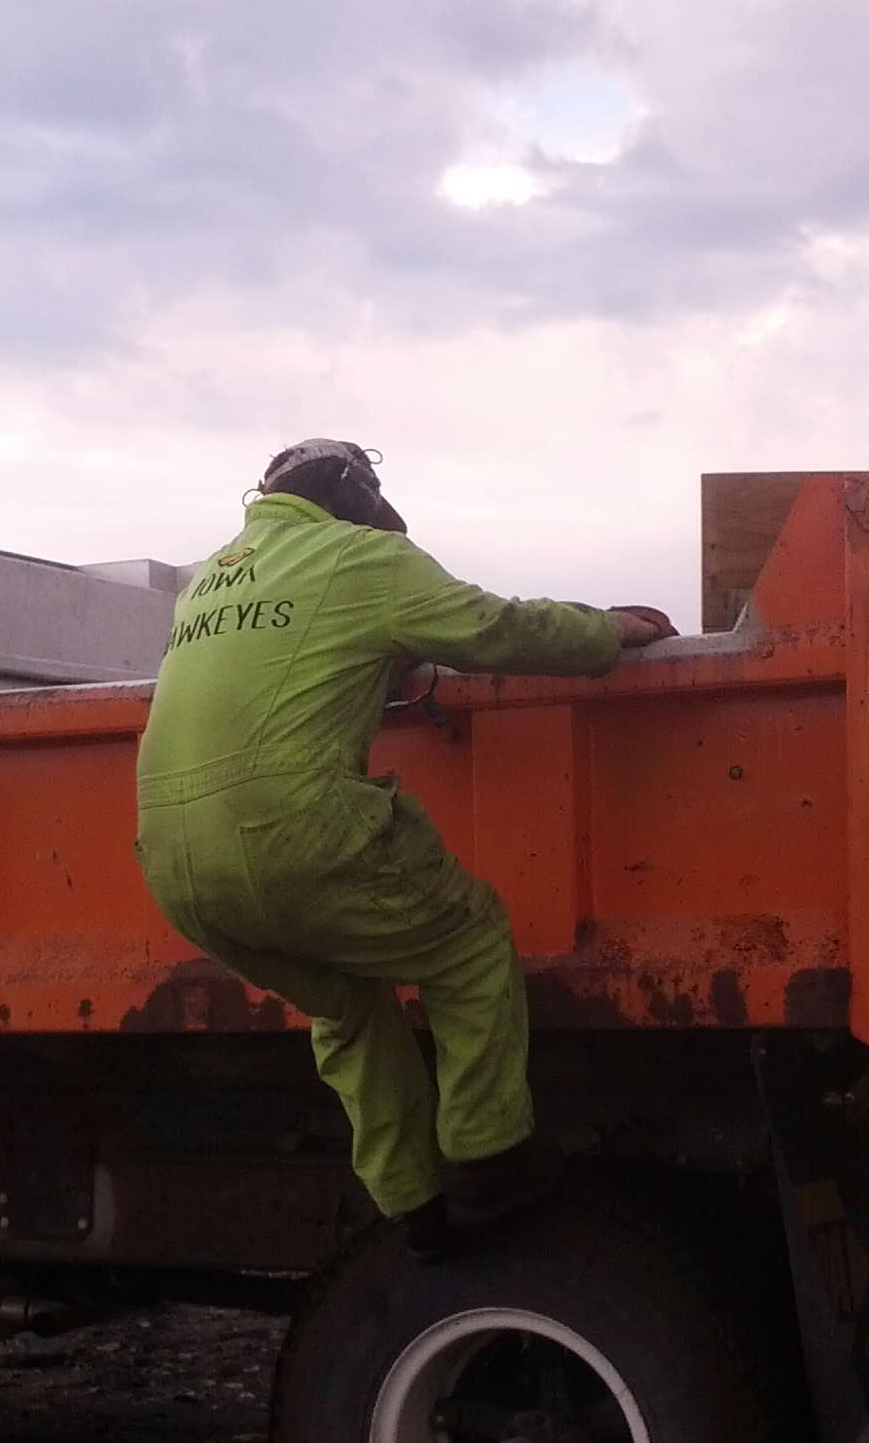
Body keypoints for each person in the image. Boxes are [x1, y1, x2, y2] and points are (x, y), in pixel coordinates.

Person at [135, 438, 676, 1256]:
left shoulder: (206, 583)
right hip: (292, 832)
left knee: (346, 1002)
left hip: (176, 869)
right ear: (358, 501)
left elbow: (298, 663)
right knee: (468, 940)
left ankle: (411, 1203)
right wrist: (605, 630)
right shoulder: (362, 556)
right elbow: (494, 628)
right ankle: (490, 1158)